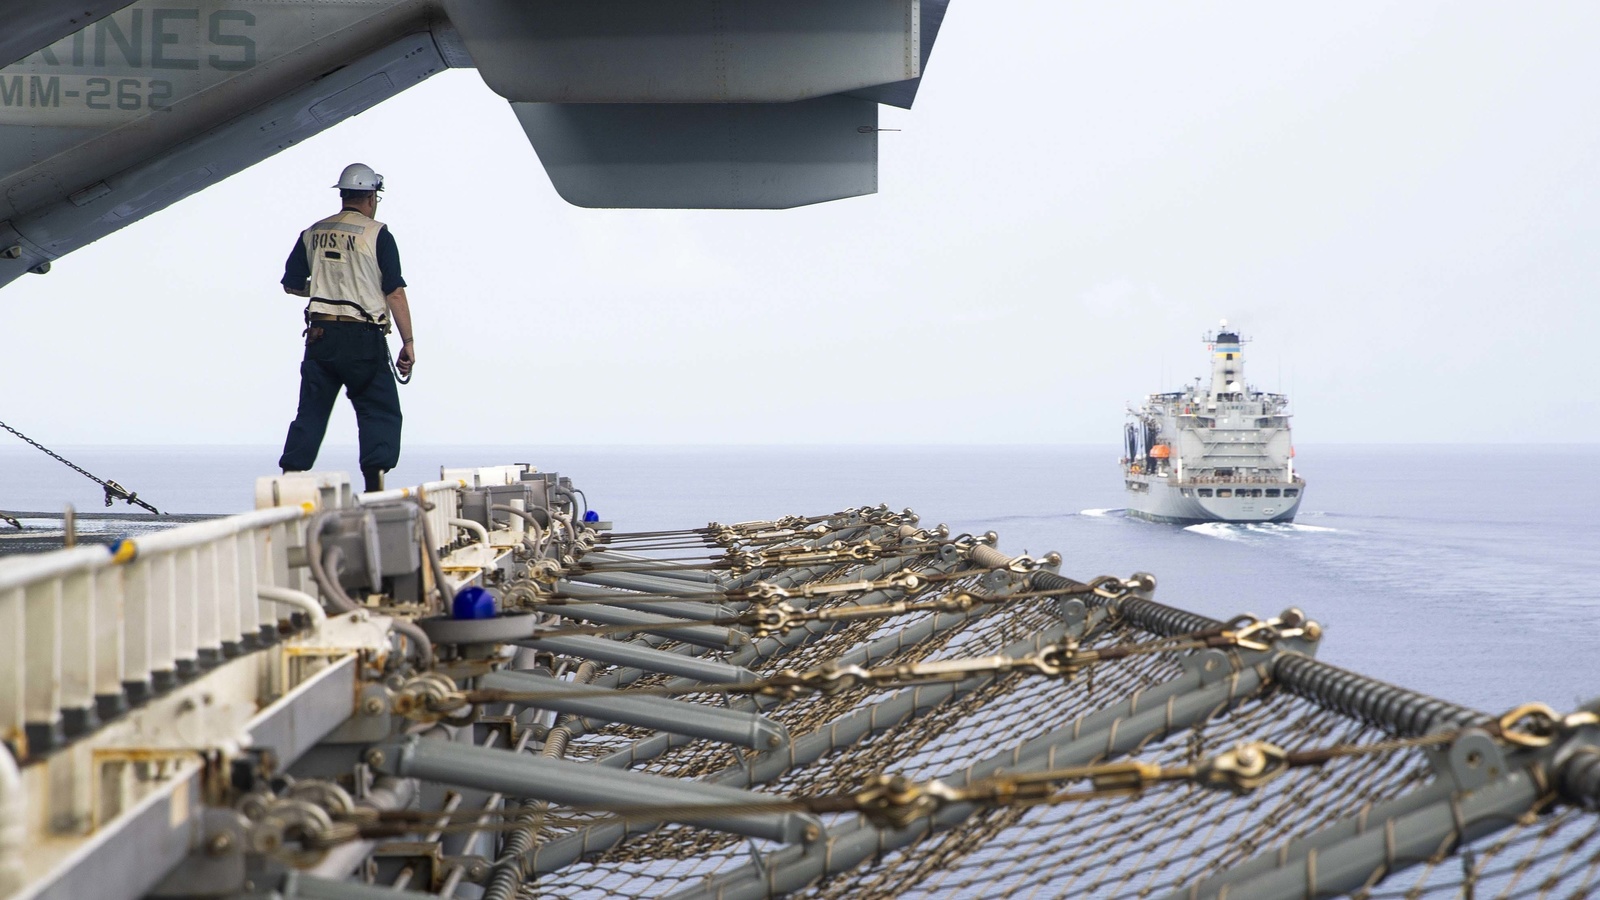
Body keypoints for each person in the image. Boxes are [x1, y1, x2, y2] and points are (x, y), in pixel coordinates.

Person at [277, 163, 415, 493]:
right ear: (371, 197)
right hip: (363, 338)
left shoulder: (313, 232)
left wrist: (326, 289)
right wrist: (408, 341)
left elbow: (291, 284)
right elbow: (394, 291)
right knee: (379, 411)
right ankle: (374, 487)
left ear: (343, 195)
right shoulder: (377, 233)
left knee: (311, 411)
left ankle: (289, 482)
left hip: (321, 337)